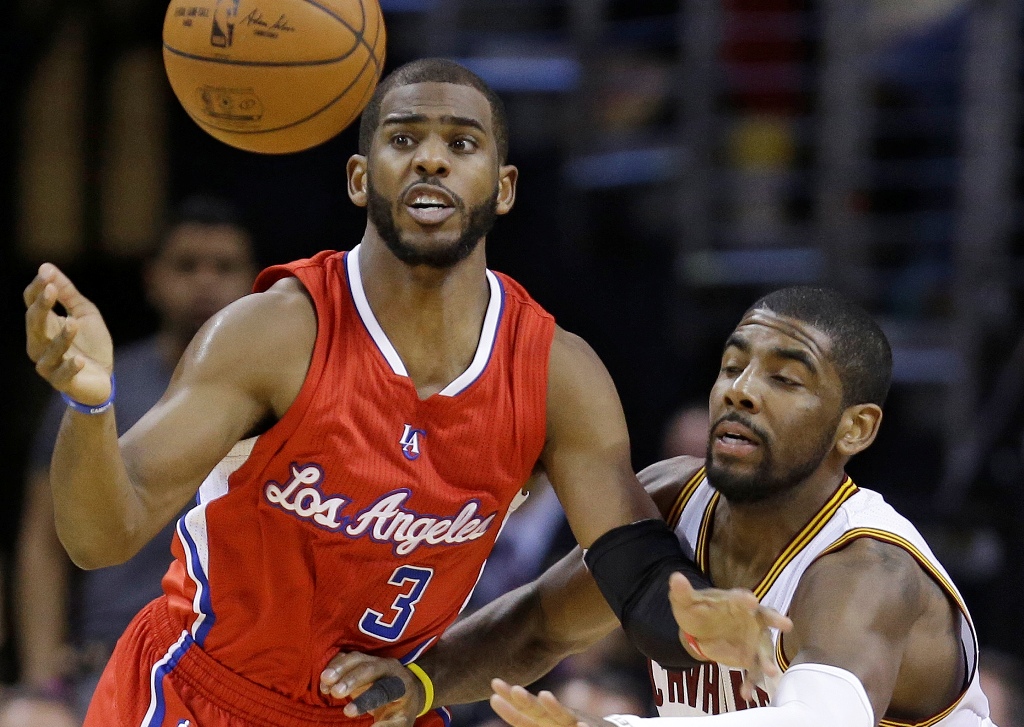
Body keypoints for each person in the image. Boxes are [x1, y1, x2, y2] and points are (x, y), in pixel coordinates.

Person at [23, 59, 784, 727]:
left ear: (505, 187)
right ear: (361, 178)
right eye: (403, 138)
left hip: (382, 708)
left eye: (462, 143)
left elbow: (633, 573)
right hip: (201, 692)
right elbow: (98, 538)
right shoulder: (274, 332)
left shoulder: (558, 373)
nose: (431, 161)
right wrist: (90, 406)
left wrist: (699, 621)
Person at [323, 286, 993, 727]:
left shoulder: (870, 568)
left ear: (856, 429)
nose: (742, 391)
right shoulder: (676, 496)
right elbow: (540, 624)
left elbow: (820, 721)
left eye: (785, 378)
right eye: (733, 366)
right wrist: (418, 682)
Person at [15, 195, 258, 720]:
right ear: (152, 278)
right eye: (187, 266)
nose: (206, 282)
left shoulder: (287, 390)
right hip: (107, 660)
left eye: (225, 266)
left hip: (239, 667)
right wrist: (41, 684)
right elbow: (43, 541)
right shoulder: (94, 380)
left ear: (256, 281)